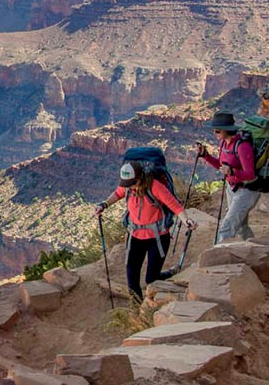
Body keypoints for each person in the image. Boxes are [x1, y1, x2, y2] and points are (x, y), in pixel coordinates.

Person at [94, 160, 197, 301]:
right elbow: (118, 193)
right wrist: (104, 204)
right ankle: (138, 308)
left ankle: (169, 274)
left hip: (158, 237)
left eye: (131, 183)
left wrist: (187, 221)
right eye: (126, 183)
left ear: (139, 178)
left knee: (151, 279)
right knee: (132, 279)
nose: (129, 187)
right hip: (135, 236)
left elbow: (176, 206)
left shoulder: (156, 187)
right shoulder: (128, 187)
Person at [197, 111, 259, 241]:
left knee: (226, 227)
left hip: (247, 190)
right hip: (232, 189)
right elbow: (221, 165)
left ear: (227, 130)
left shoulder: (242, 146)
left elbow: (250, 174)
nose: (215, 133)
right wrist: (206, 156)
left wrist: (232, 172)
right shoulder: (223, 144)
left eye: (218, 131)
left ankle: (217, 258)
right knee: (241, 226)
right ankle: (254, 250)